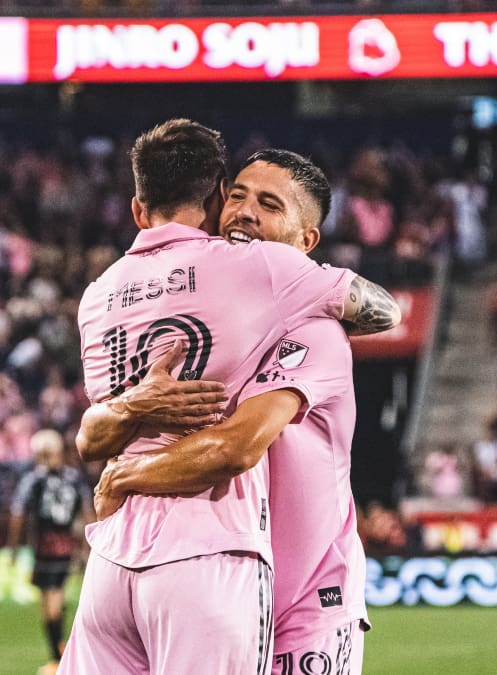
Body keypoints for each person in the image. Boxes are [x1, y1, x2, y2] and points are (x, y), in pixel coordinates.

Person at [59, 119, 398, 674]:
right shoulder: (228, 300)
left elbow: (234, 446)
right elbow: (92, 434)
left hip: (306, 601)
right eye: (236, 195)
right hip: (225, 568)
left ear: (306, 241)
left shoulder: (311, 329)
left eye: (268, 204)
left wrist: (125, 474)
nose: (244, 211)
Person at [7, 429, 94, 673]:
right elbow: (87, 512)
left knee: (50, 603)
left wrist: (14, 547)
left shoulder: (33, 480)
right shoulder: (74, 478)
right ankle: (59, 651)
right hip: (66, 544)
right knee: (53, 599)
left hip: (44, 546)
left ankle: (58, 658)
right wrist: (89, 546)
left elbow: (18, 514)